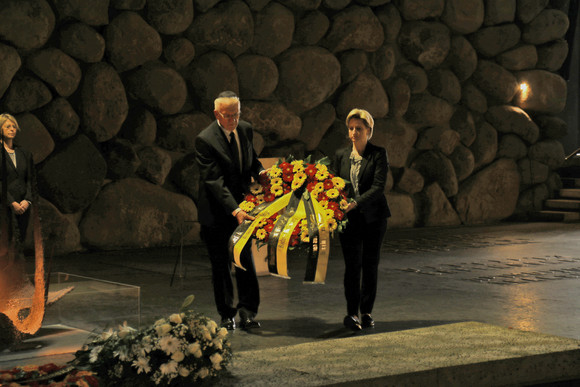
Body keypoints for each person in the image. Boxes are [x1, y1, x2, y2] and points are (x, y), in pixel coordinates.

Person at [194, 91, 265, 330]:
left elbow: (251, 159)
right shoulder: (205, 140)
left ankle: (248, 311)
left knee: (244, 260)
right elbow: (214, 182)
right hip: (216, 212)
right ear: (217, 114)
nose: (233, 120)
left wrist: (261, 172)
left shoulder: (245, 129)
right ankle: (226, 314)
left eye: (237, 114)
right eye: (228, 115)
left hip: (243, 208)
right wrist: (235, 210)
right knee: (221, 264)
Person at [332, 108, 391, 331]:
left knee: (370, 265)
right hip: (349, 220)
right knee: (352, 267)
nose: (354, 132)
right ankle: (351, 314)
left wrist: (355, 203)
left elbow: (378, 187)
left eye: (359, 128)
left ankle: (366, 312)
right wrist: (338, 203)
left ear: (369, 131)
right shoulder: (341, 155)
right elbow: (335, 186)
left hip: (374, 218)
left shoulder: (379, 154)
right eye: (351, 128)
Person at [0, 113, 33, 244]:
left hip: (23, 205)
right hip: (3, 204)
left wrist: (28, 200)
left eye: (14, 126)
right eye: (8, 126)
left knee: (20, 244)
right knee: (4, 243)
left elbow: (30, 179)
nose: (12, 129)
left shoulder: (23, 153)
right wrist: (11, 202)